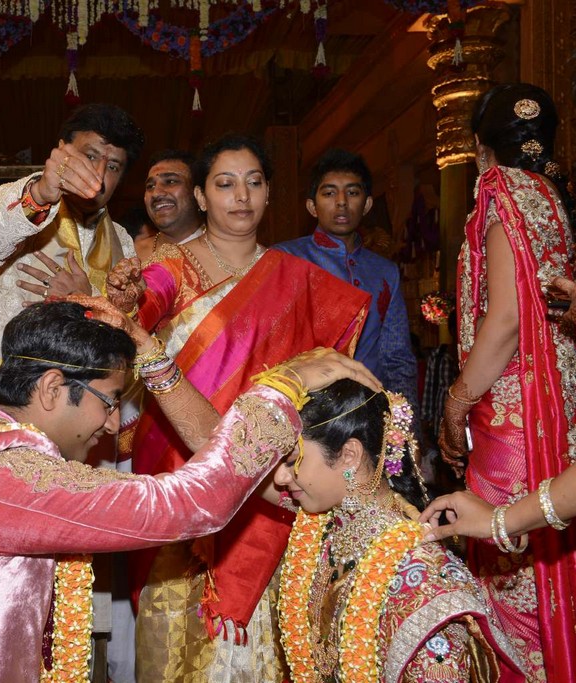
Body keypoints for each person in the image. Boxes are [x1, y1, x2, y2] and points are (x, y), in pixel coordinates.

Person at [0, 299, 379, 681]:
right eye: (107, 402)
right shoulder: (1, 471)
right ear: (52, 388)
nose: (110, 426)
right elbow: (189, 503)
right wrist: (284, 385)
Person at [106, 134, 371, 681]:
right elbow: (146, 303)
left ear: (269, 193)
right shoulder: (173, 265)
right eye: (225, 184)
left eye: (253, 182)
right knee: (178, 622)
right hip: (182, 463)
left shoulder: (295, 277)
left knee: (267, 627)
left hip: (271, 473)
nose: (241, 196)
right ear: (202, 197)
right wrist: (130, 301)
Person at [434, 83, 576, 682]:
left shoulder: (501, 191)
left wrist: (457, 401)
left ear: (478, 147)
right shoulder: (553, 196)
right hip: (557, 401)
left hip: (512, 413)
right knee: (544, 550)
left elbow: (508, 319)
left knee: (505, 557)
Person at [274, 380, 525, 682]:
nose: (279, 477)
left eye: (292, 460)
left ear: (349, 455)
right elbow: (239, 474)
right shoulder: (324, 522)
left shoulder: (423, 582)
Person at [0, 103, 143, 411]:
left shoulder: (122, 242)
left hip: (78, 412)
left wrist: (87, 302)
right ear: (61, 151)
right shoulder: (23, 197)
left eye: (112, 167)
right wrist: (40, 194)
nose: (98, 175)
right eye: (90, 156)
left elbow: (128, 352)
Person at [275, 149, 418, 407]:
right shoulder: (285, 259)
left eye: (352, 193)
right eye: (329, 193)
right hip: (304, 408)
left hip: (369, 409)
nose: (341, 202)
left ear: (367, 205)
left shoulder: (385, 271)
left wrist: (404, 422)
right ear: (312, 206)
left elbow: (397, 358)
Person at [135, 149, 203, 262]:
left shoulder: (220, 254)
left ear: (198, 193)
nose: (156, 193)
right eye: (150, 186)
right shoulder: (132, 253)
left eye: (170, 181)